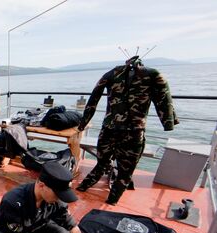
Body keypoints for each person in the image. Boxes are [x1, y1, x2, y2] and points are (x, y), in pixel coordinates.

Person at [76, 56, 178, 205]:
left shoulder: (112, 73)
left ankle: (84, 186)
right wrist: (169, 122)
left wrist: (83, 123)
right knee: (125, 171)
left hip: (109, 129)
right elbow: (164, 99)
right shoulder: (154, 74)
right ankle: (111, 201)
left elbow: (94, 98)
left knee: (102, 162)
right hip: (133, 132)